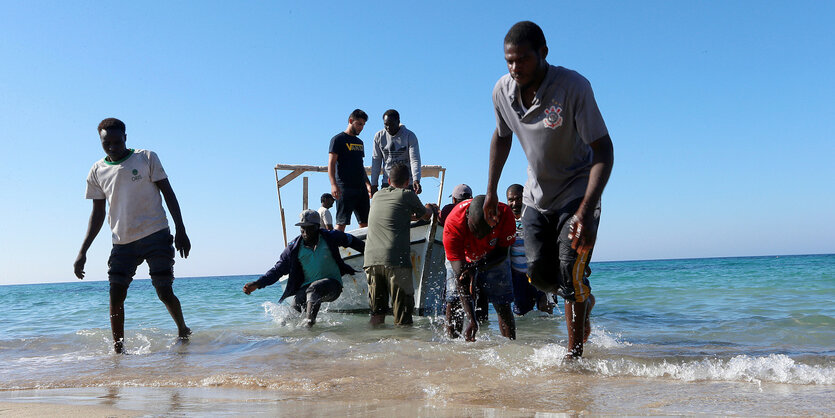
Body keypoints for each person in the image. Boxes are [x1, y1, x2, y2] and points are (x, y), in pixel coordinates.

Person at [483, 21, 613, 358]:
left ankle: (574, 354)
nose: (515, 68)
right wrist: (491, 190)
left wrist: (587, 208)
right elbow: (501, 135)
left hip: (577, 194)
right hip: (537, 198)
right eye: (509, 61)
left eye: (522, 60)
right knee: (539, 275)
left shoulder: (573, 87)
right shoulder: (501, 91)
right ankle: (581, 294)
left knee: (570, 273)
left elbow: (604, 150)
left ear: (543, 53)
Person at [74, 117, 191, 354]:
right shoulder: (97, 171)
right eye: (107, 143)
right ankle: (119, 350)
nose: (113, 147)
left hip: (156, 234)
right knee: (115, 294)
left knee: (164, 291)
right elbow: (97, 215)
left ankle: (182, 329)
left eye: (117, 142)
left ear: (125, 137)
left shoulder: (146, 157)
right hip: (122, 242)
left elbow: (169, 193)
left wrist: (181, 229)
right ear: (101, 141)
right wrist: (82, 251)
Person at [243, 210, 365, 328]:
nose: (305, 232)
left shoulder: (330, 237)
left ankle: (309, 329)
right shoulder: (293, 248)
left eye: (309, 228)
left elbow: (353, 241)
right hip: (306, 289)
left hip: (333, 285)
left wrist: (372, 254)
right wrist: (258, 284)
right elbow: (277, 270)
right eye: (303, 228)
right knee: (290, 317)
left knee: (314, 289)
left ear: (317, 227)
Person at [363, 163, 438, 326]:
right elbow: (425, 216)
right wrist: (430, 207)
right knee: (403, 319)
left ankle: (371, 348)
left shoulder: (376, 196)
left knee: (377, 315)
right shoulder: (406, 194)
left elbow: (396, 214)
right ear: (407, 182)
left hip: (371, 261)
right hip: (396, 261)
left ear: (389, 180)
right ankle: (403, 349)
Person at [443, 195, 517, 341]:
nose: (479, 237)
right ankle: (451, 346)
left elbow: (502, 253)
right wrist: (472, 320)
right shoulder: (453, 224)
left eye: (485, 232)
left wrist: (476, 267)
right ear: (467, 217)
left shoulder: (504, 214)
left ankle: (511, 347)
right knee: (454, 299)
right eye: (475, 230)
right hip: (462, 256)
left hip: (493, 255)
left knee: (502, 301)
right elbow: (460, 277)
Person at [506, 184, 553, 316]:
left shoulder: (536, 216)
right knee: (521, 313)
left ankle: (550, 336)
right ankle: (527, 337)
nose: (515, 203)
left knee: (546, 308)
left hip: (540, 272)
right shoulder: (504, 220)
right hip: (518, 276)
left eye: (519, 198)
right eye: (511, 199)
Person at [328, 109, 372, 231]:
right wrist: (333, 185)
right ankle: (335, 248)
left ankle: (363, 249)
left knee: (365, 223)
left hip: (360, 188)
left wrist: (367, 184)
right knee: (341, 223)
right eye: (359, 124)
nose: (361, 127)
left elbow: (360, 165)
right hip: (345, 188)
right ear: (351, 121)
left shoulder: (360, 143)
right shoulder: (338, 140)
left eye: (363, 125)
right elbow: (331, 164)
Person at [370, 109, 422, 195]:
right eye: (386, 125)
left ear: (398, 122)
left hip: (406, 183)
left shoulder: (409, 136)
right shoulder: (379, 136)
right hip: (388, 182)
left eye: (392, 124)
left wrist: (416, 180)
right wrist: (374, 184)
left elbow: (415, 160)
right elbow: (376, 161)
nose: (388, 128)